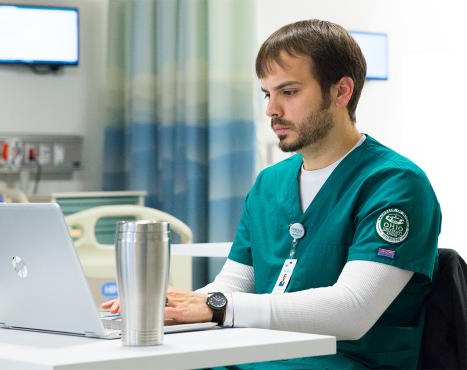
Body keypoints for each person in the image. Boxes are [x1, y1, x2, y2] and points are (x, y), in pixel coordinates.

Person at [102, 19, 441, 370]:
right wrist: (166, 305)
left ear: (341, 92)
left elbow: (351, 310)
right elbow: (235, 284)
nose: (271, 110)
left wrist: (218, 308)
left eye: (289, 92)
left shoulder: (395, 184)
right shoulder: (269, 184)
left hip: (344, 361)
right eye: (267, 93)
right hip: (262, 353)